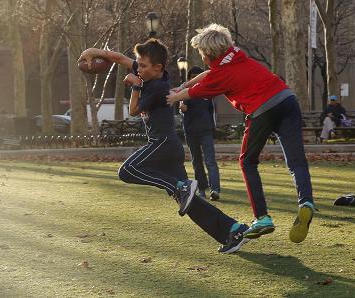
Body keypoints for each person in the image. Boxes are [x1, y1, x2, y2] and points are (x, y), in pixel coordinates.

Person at [78, 39, 250, 254]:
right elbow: (120, 59)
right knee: (189, 203)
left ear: (157, 68)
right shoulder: (150, 74)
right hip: (169, 148)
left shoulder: (157, 87)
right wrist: (92, 51)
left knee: (127, 171)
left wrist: (136, 87)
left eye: (142, 66)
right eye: (138, 65)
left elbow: (132, 110)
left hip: (162, 144)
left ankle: (179, 186)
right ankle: (232, 229)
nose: (137, 68)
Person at [166, 24, 315, 244]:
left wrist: (174, 97)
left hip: (262, 109)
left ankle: (262, 218)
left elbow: (198, 91)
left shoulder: (221, 75)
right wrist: (183, 86)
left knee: (247, 162)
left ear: (207, 53)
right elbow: (207, 75)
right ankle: (306, 203)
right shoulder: (235, 55)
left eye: (202, 53)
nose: (202, 57)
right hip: (287, 99)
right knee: (296, 161)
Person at [179, 66, 221, 201]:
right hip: (191, 131)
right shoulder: (186, 92)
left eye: (199, 75)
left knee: (210, 161)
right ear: (190, 79)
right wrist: (182, 108)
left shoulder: (208, 93)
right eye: (193, 77)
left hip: (206, 131)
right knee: (197, 162)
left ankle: (215, 190)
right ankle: (201, 189)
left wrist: (213, 129)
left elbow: (211, 112)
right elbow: (183, 108)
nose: (196, 79)